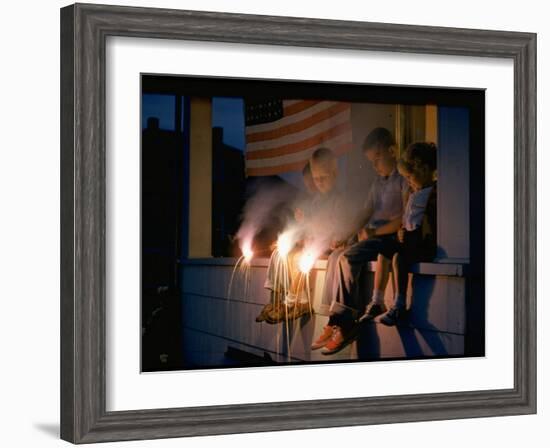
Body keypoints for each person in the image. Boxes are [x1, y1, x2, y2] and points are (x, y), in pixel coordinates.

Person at [311, 127, 409, 354]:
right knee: (336, 256)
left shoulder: (403, 180)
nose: (374, 166)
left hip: (389, 239)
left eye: (377, 159)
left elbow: (404, 217)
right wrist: (345, 234)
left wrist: (375, 233)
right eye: (371, 162)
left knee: (348, 257)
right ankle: (334, 320)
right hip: (373, 239)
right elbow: (365, 212)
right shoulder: (377, 183)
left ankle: (346, 324)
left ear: (392, 151)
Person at [266, 147, 351, 323]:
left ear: (334, 173)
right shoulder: (316, 200)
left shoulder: (341, 200)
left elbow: (340, 229)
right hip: (313, 245)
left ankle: (290, 302)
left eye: (323, 178)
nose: (318, 183)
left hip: (328, 248)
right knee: (287, 253)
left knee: (300, 257)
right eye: (315, 179)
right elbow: (307, 227)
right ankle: (299, 300)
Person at [378, 142, 438, 326]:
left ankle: (400, 303)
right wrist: (401, 232)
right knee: (384, 250)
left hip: (422, 243)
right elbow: (408, 219)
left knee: (398, 258)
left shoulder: (435, 193)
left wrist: (411, 235)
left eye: (410, 177)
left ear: (425, 169)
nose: (409, 182)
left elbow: (429, 224)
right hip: (409, 240)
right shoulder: (413, 194)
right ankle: (377, 300)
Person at [255, 162, 318, 323]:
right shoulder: (307, 202)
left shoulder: (322, 201)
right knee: (279, 253)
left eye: (313, 180)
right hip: (304, 243)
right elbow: (298, 230)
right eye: (307, 182)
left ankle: (298, 302)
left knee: (297, 259)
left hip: (316, 246)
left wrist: (306, 223)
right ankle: (275, 301)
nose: (310, 185)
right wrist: (285, 240)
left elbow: (318, 229)